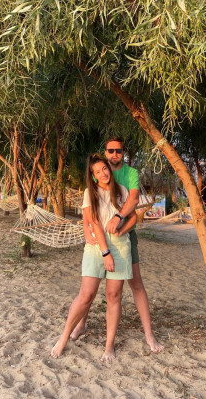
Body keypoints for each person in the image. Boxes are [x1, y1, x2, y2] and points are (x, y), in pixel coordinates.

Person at [72, 137, 164, 353]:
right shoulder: (99, 170)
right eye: (111, 150)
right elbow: (90, 203)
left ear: (123, 152)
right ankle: (81, 323)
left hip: (124, 237)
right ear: (105, 152)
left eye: (119, 151)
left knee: (135, 284)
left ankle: (149, 334)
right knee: (90, 287)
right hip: (100, 239)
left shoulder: (130, 173)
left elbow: (133, 200)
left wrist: (119, 220)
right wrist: (86, 227)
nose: (114, 154)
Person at [51, 153, 133, 361]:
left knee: (114, 296)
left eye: (104, 168)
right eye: (98, 171)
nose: (103, 173)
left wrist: (122, 231)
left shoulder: (122, 191)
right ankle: (64, 337)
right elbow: (94, 222)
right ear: (93, 176)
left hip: (120, 247)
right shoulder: (91, 192)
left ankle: (109, 346)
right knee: (86, 295)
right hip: (97, 247)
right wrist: (106, 253)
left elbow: (133, 218)